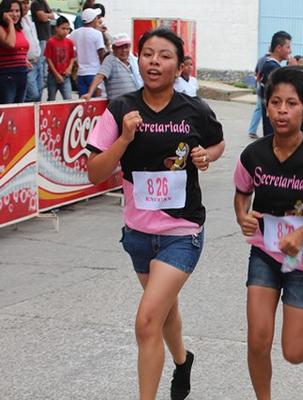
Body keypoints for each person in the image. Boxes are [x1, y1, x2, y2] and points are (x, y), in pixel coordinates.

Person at [86, 28, 225, 400]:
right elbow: (94, 171)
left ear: (180, 67)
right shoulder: (121, 109)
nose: (154, 62)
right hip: (138, 234)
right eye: (147, 54)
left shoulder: (194, 109)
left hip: (182, 231)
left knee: (148, 320)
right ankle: (183, 360)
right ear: (137, 60)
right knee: (164, 310)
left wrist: (205, 157)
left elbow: (217, 142)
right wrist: (124, 139)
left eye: (165, 56)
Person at [233, 66, 303, 400]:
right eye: (275, 102)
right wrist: (242, 216)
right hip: (265, 252)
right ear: (266, 106)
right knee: (258, 339)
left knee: (293, 353)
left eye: (291, 103)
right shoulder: (254, 155)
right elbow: (242, 192)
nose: (281, 110)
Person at [83, 33, 141, 100]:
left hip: (135, 102)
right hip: (119, 104)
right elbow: (100, 76)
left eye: (126, 47)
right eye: (120, 47)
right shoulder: (110, 60)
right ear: (113, 48)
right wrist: (89, 93)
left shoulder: (133, 60)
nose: (124, 50)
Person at [258, 31, 292, 137]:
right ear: (278, 48)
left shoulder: (271, 65)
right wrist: (292, 70)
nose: (290, 51)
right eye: (288, 47)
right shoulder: (272, 67)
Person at [69, 7, 106, 97]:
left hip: (81, 73)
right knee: (96, 101)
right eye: (97, 18)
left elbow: (71, 50)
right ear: (93, 19)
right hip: (94, 72)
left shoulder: (74, 33)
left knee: (83, 100)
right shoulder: (97, 34)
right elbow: (101, 53)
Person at [0, 0, 29, 104]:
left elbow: (22, 47)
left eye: (17, 11)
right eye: (11, 11)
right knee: (8, 111)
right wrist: (10, 22)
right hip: (7, 75)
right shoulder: (2, 28)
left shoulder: (19, 29)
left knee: (19, 109)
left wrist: (24, 60)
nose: (15, 14)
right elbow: (10, 44)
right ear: (4, 12)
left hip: (22, 74)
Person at [44, 15, 75, 101]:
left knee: (68, 99)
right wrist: (56, 74)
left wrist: (70, 68)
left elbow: (72, 57)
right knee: (51, 99)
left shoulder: (69, 42)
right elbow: (48, 59)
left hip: (65, 76)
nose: (65, 31)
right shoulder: (51, 42)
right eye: (63, 28)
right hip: (53, 76)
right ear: (56, 28)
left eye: (67, 29)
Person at [20, 0, 42, 102]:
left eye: (27, 3)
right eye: (22, 3)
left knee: (39, 93)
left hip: (37, 60)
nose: (25, 6)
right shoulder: (15, 21)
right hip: (27, 63)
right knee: (32, 94)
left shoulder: (28, 18)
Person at [247, 52, 270, 139]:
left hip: (260, 86)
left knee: (258, 108)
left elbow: (256, 73)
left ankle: (252, 130)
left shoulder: (261, 59)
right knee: (260, 109)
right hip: (264, 88)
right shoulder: (268, 62)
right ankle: (252, 131)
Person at [30, 0, 53, 82]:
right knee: (40, 60)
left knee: (45, 60)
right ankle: (40, 79)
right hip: (41, 36)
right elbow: (42, 18)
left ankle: (43, 79)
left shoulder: (44, 3)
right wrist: (47, 16)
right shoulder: (35, 3)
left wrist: (47, 15)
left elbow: (52, 15)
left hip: (47, 36)